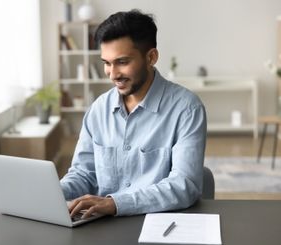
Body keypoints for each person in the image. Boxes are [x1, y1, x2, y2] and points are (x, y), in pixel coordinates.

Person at [60, 9, 207, 218]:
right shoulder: (98, 110)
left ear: (151, 57)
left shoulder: (187, 109)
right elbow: (84, 174)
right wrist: (53, 194)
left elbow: (184, 185)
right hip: (103, 227)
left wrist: (115, 204)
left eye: (122, 62)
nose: (113, 74)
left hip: (160, 225)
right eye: (107, 63)